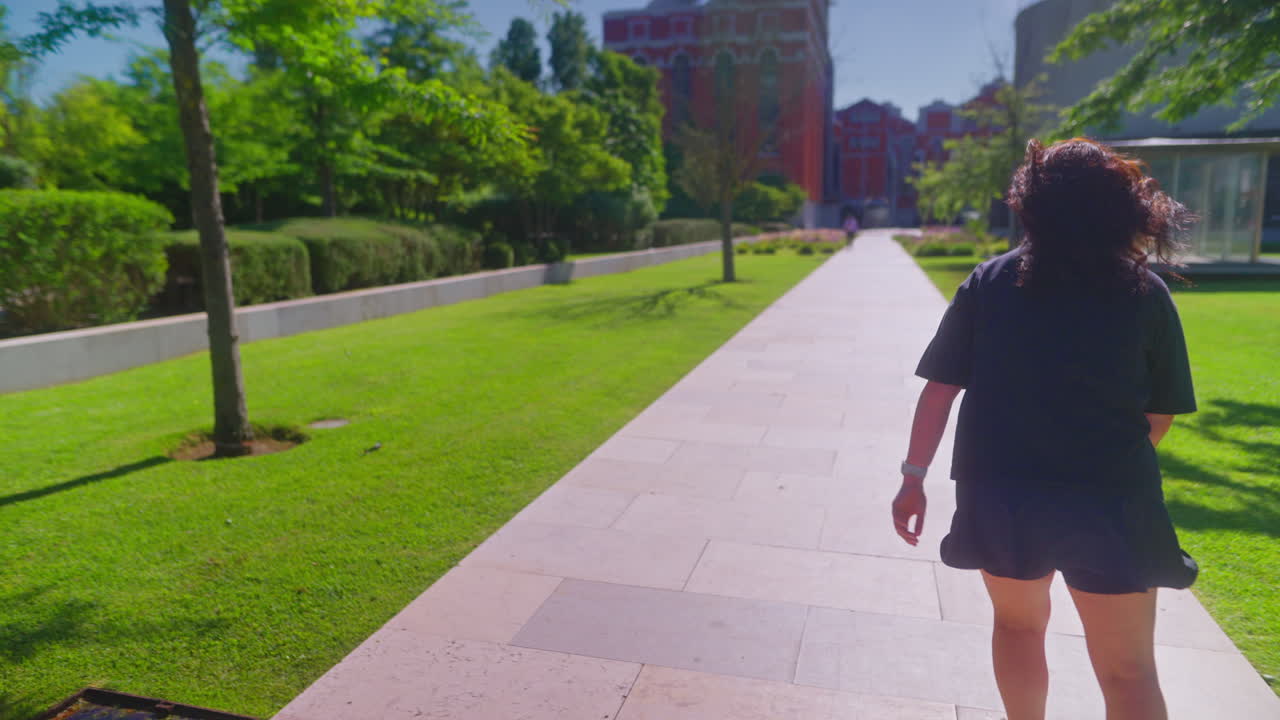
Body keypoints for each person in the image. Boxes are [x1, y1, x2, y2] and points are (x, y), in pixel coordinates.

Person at [892, 138, 1199, 720]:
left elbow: (939, 391)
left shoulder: (990, 282)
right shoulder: (1145, 292)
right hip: (1112, 500)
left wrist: (913, 478)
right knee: (1129, 670)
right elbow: (1159, 416)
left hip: (1002, 494)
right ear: (1119, 206)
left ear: (1029, 204)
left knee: (1017, 627)